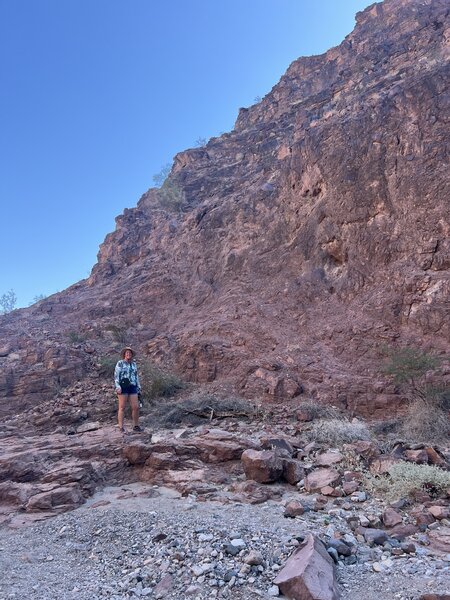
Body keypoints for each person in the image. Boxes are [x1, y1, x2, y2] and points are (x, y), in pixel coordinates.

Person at [114, 347, 142, 433]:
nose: (128, 354)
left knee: (136, 407)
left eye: (130, 353)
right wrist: (118, 386)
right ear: (124, 354)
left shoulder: (134, 364)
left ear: (131, 354)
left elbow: (136, 376)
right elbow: (116, 375)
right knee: (122, 407)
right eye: (127, 353)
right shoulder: (120, 363)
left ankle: (136, 426)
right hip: (123, 386)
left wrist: (138, 387)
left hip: (133, 386)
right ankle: (121, 427)